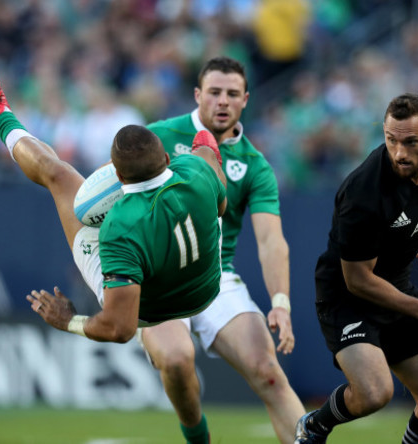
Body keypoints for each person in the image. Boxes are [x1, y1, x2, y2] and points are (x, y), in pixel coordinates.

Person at [0, 59, 227, 342]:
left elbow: (121, 328)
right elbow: (220, 207)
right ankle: (207, 147)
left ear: (117, 176)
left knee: (58, 177)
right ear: (166, 159)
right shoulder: (195, 172)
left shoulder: (119, 226)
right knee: (204, 156)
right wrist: (206, 149)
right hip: (208, 287)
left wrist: (70, 321)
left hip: (149, 311)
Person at [295, 93, 418, 444]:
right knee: (374, 393)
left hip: (394, 284)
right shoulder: (363, 193)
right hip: (347, 298)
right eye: (391, 140)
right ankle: (315, 424)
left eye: (411, 142)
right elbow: (358, 280)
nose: (399, 152)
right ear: (383, 133)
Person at [143, 56, 305, 444]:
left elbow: (270, 240)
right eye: (214, 92)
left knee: (268, 371)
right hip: (158, 279)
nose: (223, 101)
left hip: (215, 277)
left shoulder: (255, 165)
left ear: (245, 99)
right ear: (198, 94)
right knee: (178, 361)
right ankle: (198, 437)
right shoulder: (157, 137)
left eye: (232, 94)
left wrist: (280, 301)